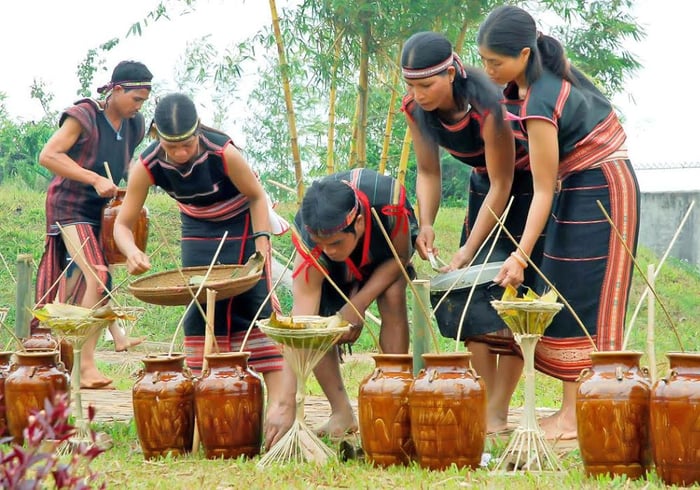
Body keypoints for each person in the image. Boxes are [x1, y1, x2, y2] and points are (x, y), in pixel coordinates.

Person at [477, 5, 640, 439]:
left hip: (603, 186)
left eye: (496, 62)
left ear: (525, 54)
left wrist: (519, 255)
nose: (489, 70)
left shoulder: (542, 98)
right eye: (485, 61)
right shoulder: (533, 87)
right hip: (580, 183)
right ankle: (575, 409)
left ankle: (581, 413)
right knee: (564, 292)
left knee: (589, 297)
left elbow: (543, 189)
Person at [113, 92, 295, 449]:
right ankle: (203, 419)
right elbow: (122, 224)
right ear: (156, 138)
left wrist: (260, 245)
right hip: (197, 229)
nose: (180, 153)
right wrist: (132, 251)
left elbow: (257, 197)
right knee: (200, 310)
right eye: (171, 146)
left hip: (243, 223)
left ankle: (280, 421)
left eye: (187, 144)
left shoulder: (223, 152)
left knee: (253, 308)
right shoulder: (147, 164)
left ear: (198, 133)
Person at [401, 31, 542, 433]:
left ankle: (499, 409)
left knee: (515, 299)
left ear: (452, 73)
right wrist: (426, 222)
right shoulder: (415, 108)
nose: (419, 93)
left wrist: (466, 251)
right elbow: (428, 171)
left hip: (524, 189)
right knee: (473, 298)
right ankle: (484, 403)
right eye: (411, 85)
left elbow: (504, 183)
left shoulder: (488, 104)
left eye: (427, 84)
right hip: (486, 188)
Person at [34, 60, 153, 389]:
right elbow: (49, 155)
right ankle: (84, 368)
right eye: (136, 99)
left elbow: (127, 165)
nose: (139, 106)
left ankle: (93, 349)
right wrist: (93, 178)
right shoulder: (84, 115)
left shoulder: (135, 124)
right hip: (70, 205)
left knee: (100, 280)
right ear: (116, 90)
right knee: (98, 275)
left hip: (102, 212)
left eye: (143, 101)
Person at [291, 168, 418, 437]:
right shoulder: (308, 232)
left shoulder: (389, 203)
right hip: (332, 274)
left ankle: (394, 399)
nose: (330, 251)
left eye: (336, 243)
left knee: (393, 295)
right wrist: (285, 401)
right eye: (322, 244)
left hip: (387, 256)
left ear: (358, 222)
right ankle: (341, 412)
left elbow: (401, 258)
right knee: (317, 326)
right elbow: (303, 320)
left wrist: (356, 303)